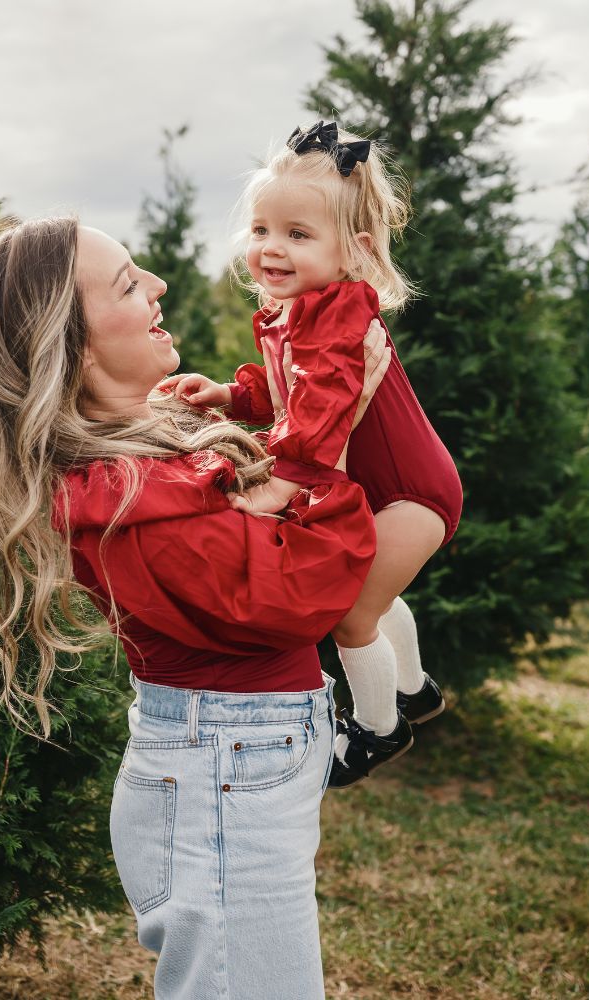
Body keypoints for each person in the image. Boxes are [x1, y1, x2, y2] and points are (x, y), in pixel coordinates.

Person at [0, 214, 390, 998]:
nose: (157, 287)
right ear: (75, 346)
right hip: (224, 777)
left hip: (230, 769)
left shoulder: (151, 457)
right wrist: (336, 430)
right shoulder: (118, 504)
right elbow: (300, 594)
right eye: (126, 283)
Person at [161, 120, 464, 787]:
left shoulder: (340, 313)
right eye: (263, 230)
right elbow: (283, 391)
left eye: (298, 235)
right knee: (372, 595)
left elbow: (323, 398)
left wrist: (288, 479)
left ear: (353, 253)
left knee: (352, 611)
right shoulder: (294, 310)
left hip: (410, 492)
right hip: (387, 489)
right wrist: (226, 394)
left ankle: (379, 731)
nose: (272, 248)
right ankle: (414, 690)